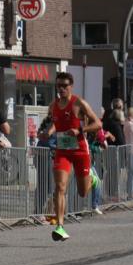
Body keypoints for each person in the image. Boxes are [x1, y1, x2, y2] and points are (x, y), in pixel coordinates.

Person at [44, 71, 102, 241]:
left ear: (71, 86)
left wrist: (80, 130)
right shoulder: (53, 106)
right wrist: (48, 132)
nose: (61, 89)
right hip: (63, 150)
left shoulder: (79, 103)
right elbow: (55, 123)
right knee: (60, 187)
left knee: (83, 192)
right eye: (58, 86)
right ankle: (60, 226)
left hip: (80, 150)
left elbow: (98, 123)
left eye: (64, 86)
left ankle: (92, 179)